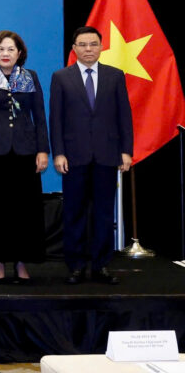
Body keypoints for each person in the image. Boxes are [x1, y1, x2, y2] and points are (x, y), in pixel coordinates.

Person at [49, 25, 133, 285]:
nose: (88, 49)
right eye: (83, 44)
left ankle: (101, 265)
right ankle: (75, 266)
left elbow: (124, 116)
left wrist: (126, 151)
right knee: (74, 212)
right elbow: (56, 119)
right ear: (74, 49)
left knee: (104, 213)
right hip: (73, 156)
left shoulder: (115, 76)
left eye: (93, 44)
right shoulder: (61, 77)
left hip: (107, 155)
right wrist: (58, 153)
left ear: (101, 47)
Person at [0, 31, 49, 283]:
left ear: (19, 53)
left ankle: (22, 261)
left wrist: (43, 150)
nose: (5, 53)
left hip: (25, 152)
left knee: (24, 210)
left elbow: (40, 116)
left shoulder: (30, 77)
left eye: (11, 49)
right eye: (1, 49)